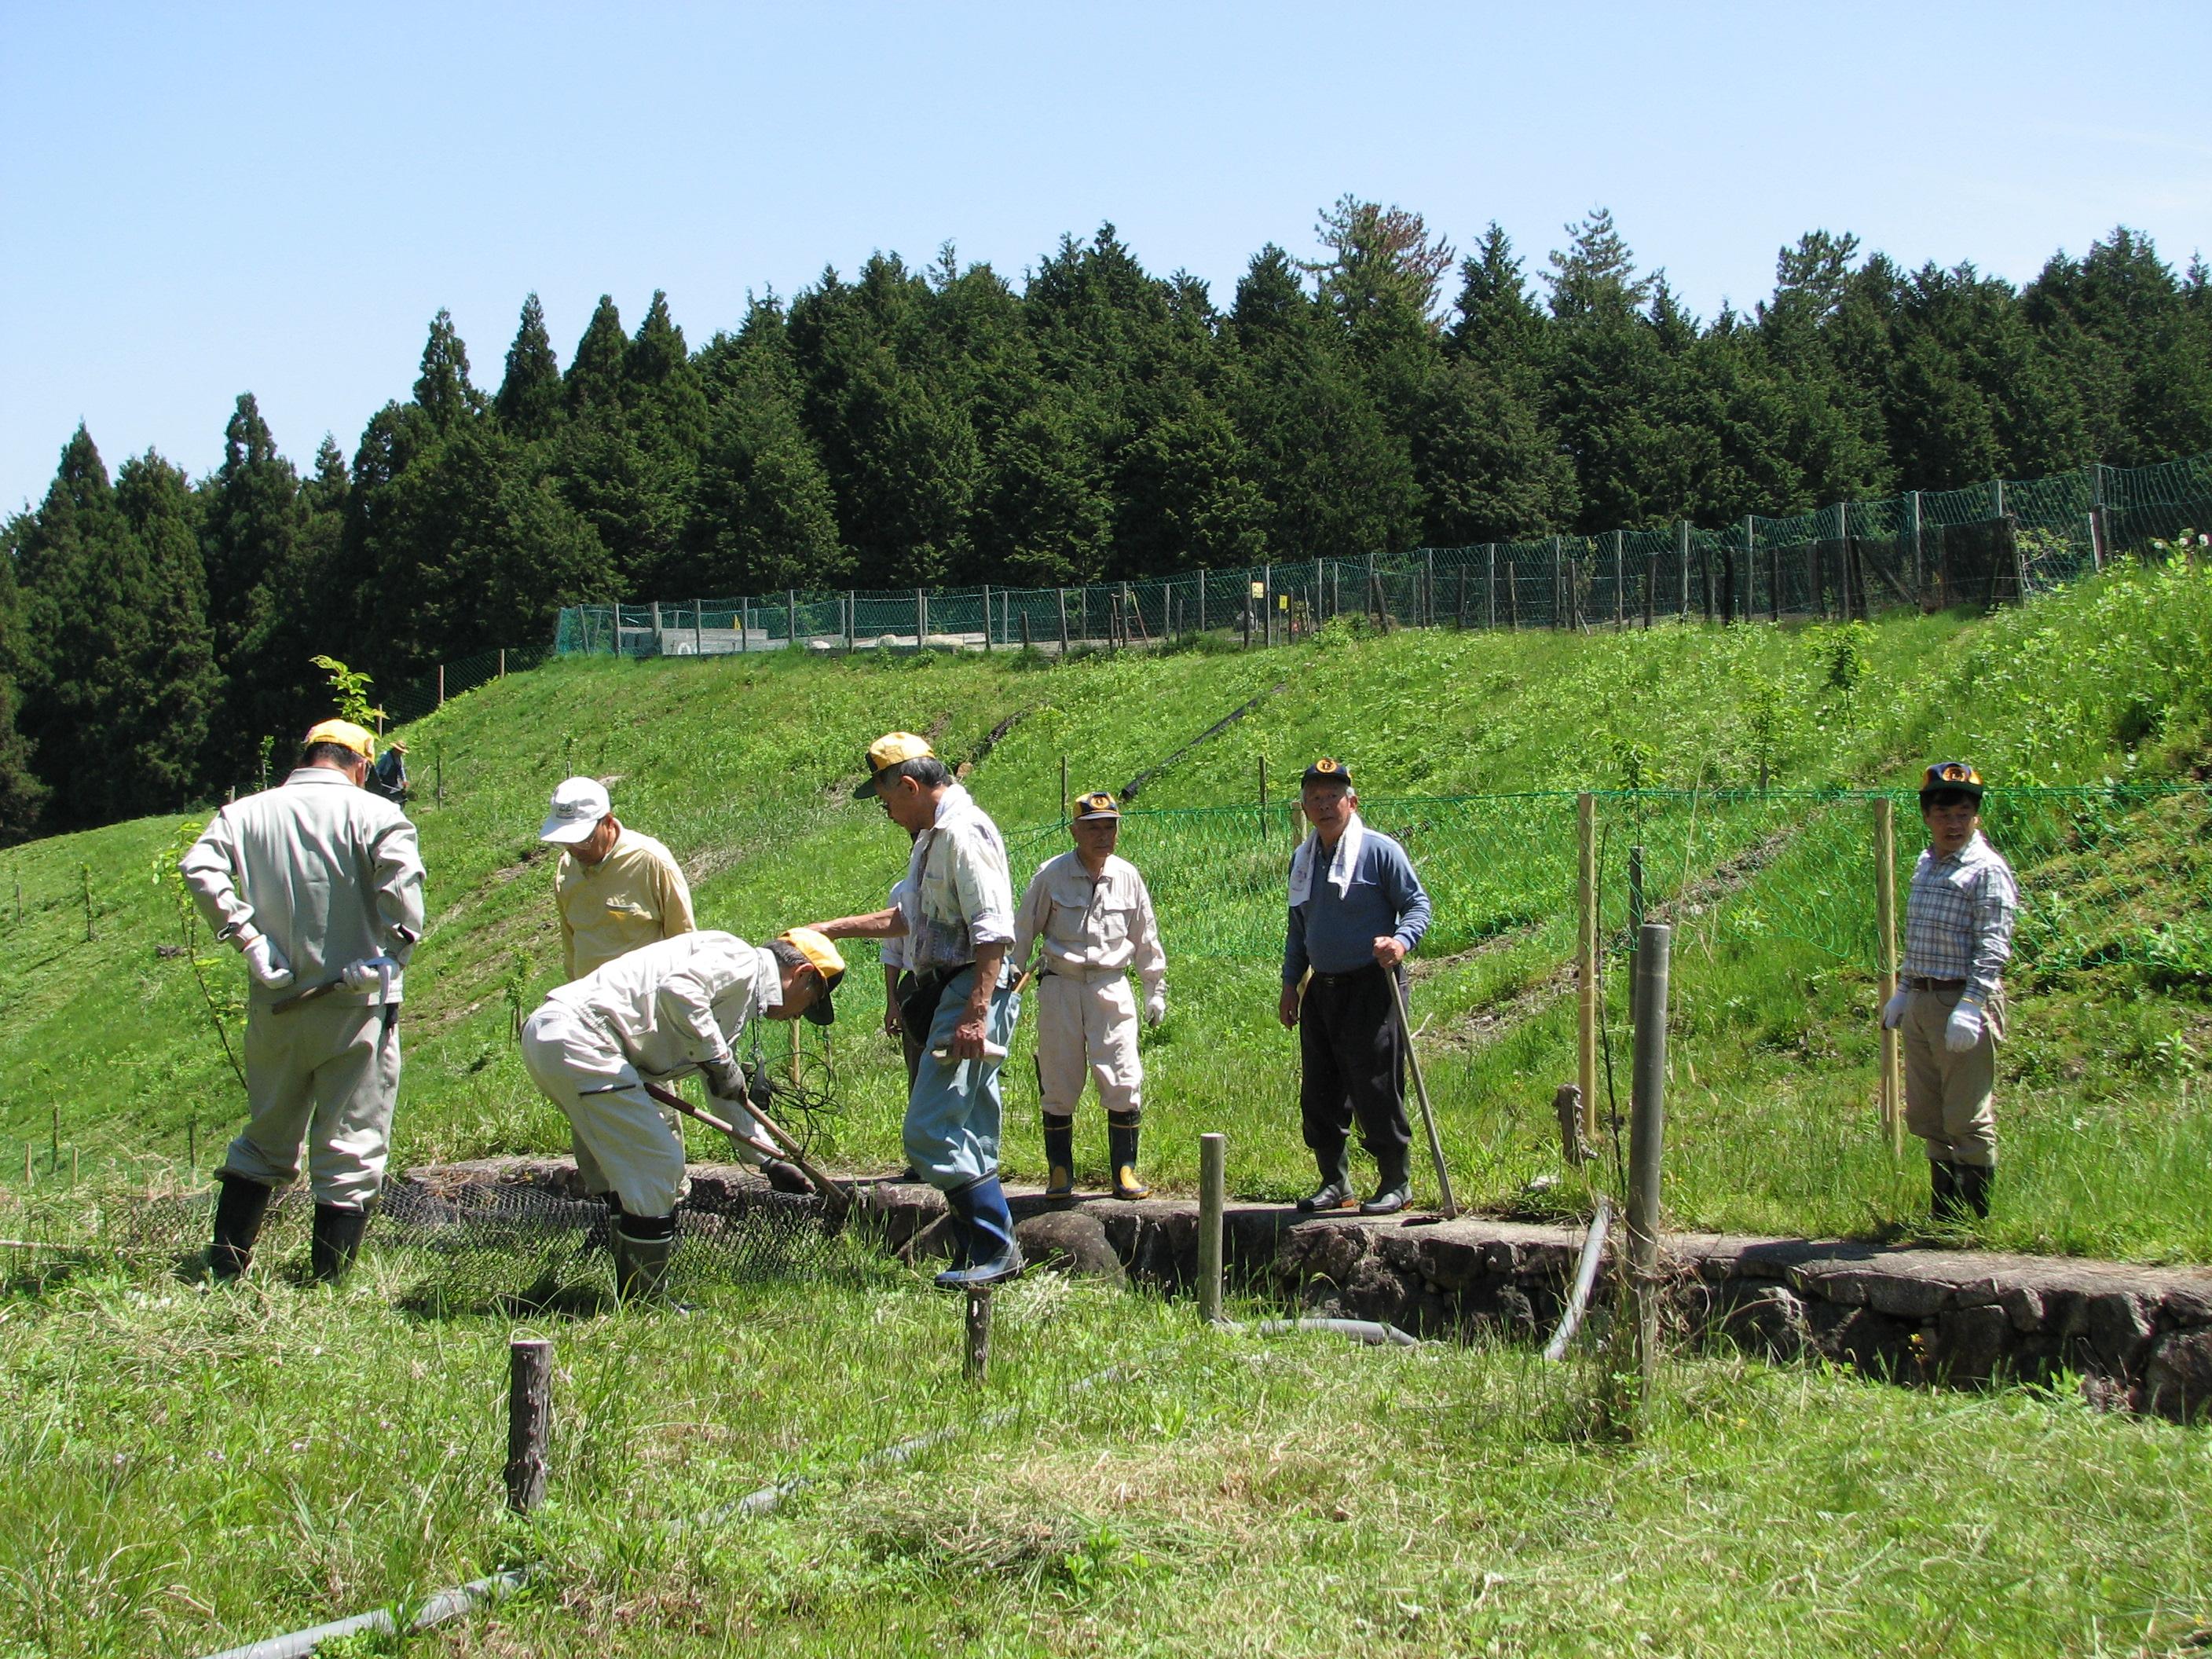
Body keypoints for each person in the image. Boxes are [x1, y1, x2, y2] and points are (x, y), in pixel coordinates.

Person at [179, 719, 426, 1282]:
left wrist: (249, 940)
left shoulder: (244, 814)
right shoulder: (380, 815)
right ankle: (328, 1282)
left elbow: (199, 867)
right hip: (357, 1007)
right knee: (352, 1143)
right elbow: (402, 890)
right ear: (362, 766)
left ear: (309, 755)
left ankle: (225, 1268)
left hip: (277, 1003)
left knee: (266, 1134)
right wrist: (393, 955)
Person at [519, 928, 844, 1299]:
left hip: (566, 1038)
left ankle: (627, 1293)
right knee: (657, 1163)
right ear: (801, 974)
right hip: (584, 1038)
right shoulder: (739, 958)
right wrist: (720, 1062)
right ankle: (646, 1300)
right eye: (810, 1000)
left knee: (622, 1176)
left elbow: (724, 1091)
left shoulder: (733, 999)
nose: (797, 1015)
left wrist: (769, 1161)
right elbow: (680, 991)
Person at [809, 733, 1024, 1290]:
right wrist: (829, 928)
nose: (886, 814)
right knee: (970, 1128)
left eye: (886, 803)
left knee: (928, 1130)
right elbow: (910, 918)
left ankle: (996, 1247)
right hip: (957, 986)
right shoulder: (931, 836)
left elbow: (994, 928)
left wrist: (976, 1012)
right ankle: (987, 1252)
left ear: (909, 785)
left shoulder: (961, 832)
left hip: (970, 987)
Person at [1278, 758, 1432, 1216]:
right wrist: (1291, 984)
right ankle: (1335, 1183)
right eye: (1315, 798)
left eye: (1333, 796)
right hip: (1321, 990)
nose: (1325, 806)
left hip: (1372, 986)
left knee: (1377, 1085)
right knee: (1320, 1089)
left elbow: (1417, 905)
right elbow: (1297, 927)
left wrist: (1400, 942)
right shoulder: (1303, 859)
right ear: (1304, 808)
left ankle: (1396, 1182)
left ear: (1352, 801)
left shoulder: (1380, 850)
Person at [1881, 762, 2019, 1221]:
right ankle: (1944, 1215)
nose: (1953, 824)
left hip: (1961, 1001)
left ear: (1976, 817)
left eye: (1963, 814)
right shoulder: (1926, 865)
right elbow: (1918, 937)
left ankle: (1975, 1220)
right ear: (1927, 817)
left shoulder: (1986, 871)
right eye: (1944, 814)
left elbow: (1994, 945)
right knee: (1928, 1116)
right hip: (1922, 999)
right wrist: (1904, 991)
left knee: (1966, 1116)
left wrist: (1973, 1005)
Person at [1011, 791, 1166, 1199]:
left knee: (1122, 1073)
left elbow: (1146, 936)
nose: (1103, 835)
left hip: (1111, 986)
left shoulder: (1128, 876)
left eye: (1110, 826)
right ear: (1074, 831)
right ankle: (1060, 1172)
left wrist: (1155, 988)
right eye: (1093, 827)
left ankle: (1125, 1171)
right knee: (1059, 1078)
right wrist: (1008, 978)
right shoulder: (1051, 875)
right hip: (1060, 985)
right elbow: (1023, 931)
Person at [540, 776, 696, 982]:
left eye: (584, 840)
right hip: (590, 1002)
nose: (575, 850)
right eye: (566, 842)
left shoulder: (650, 861)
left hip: (645, 1001)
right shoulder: (567, 868)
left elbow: (684, 940)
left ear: (608, 822)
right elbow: (571, 945)